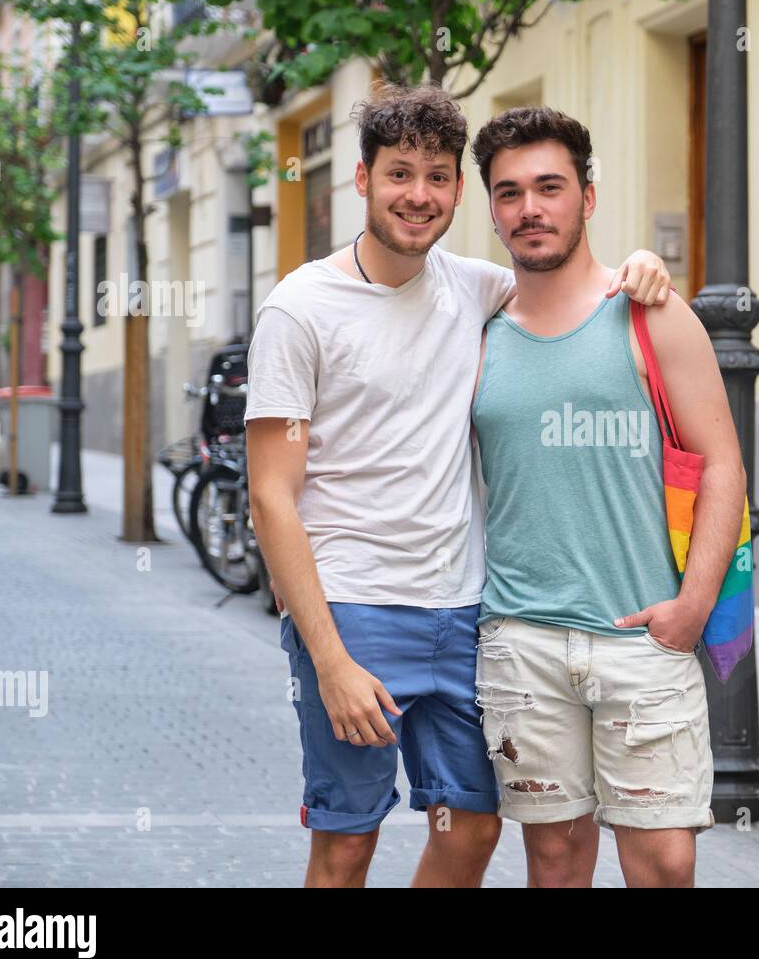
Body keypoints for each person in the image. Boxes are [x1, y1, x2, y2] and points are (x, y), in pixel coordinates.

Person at [245, 84, 671, 888]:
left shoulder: (477, 287)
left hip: (466, 614)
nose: (419, 195)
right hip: (355, 613)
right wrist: (329, 658)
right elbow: (271, 494)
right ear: (362, 179)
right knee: (345, 841)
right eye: (400, 173)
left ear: (456, 191)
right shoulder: (300, 310)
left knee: (473, 826)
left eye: (438, 176)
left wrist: (641, 267)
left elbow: (571, 283)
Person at [469, 106, 747, 887]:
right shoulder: (477, 329)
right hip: (523, 641)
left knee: (663, 863)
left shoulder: (650, 312)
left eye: (550, 187)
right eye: (509, 192)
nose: (530, 208)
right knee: (553, 862)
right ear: (490, 209)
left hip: (642, 640)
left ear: (587, 197)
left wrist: (691, 609)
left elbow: (723, 465)